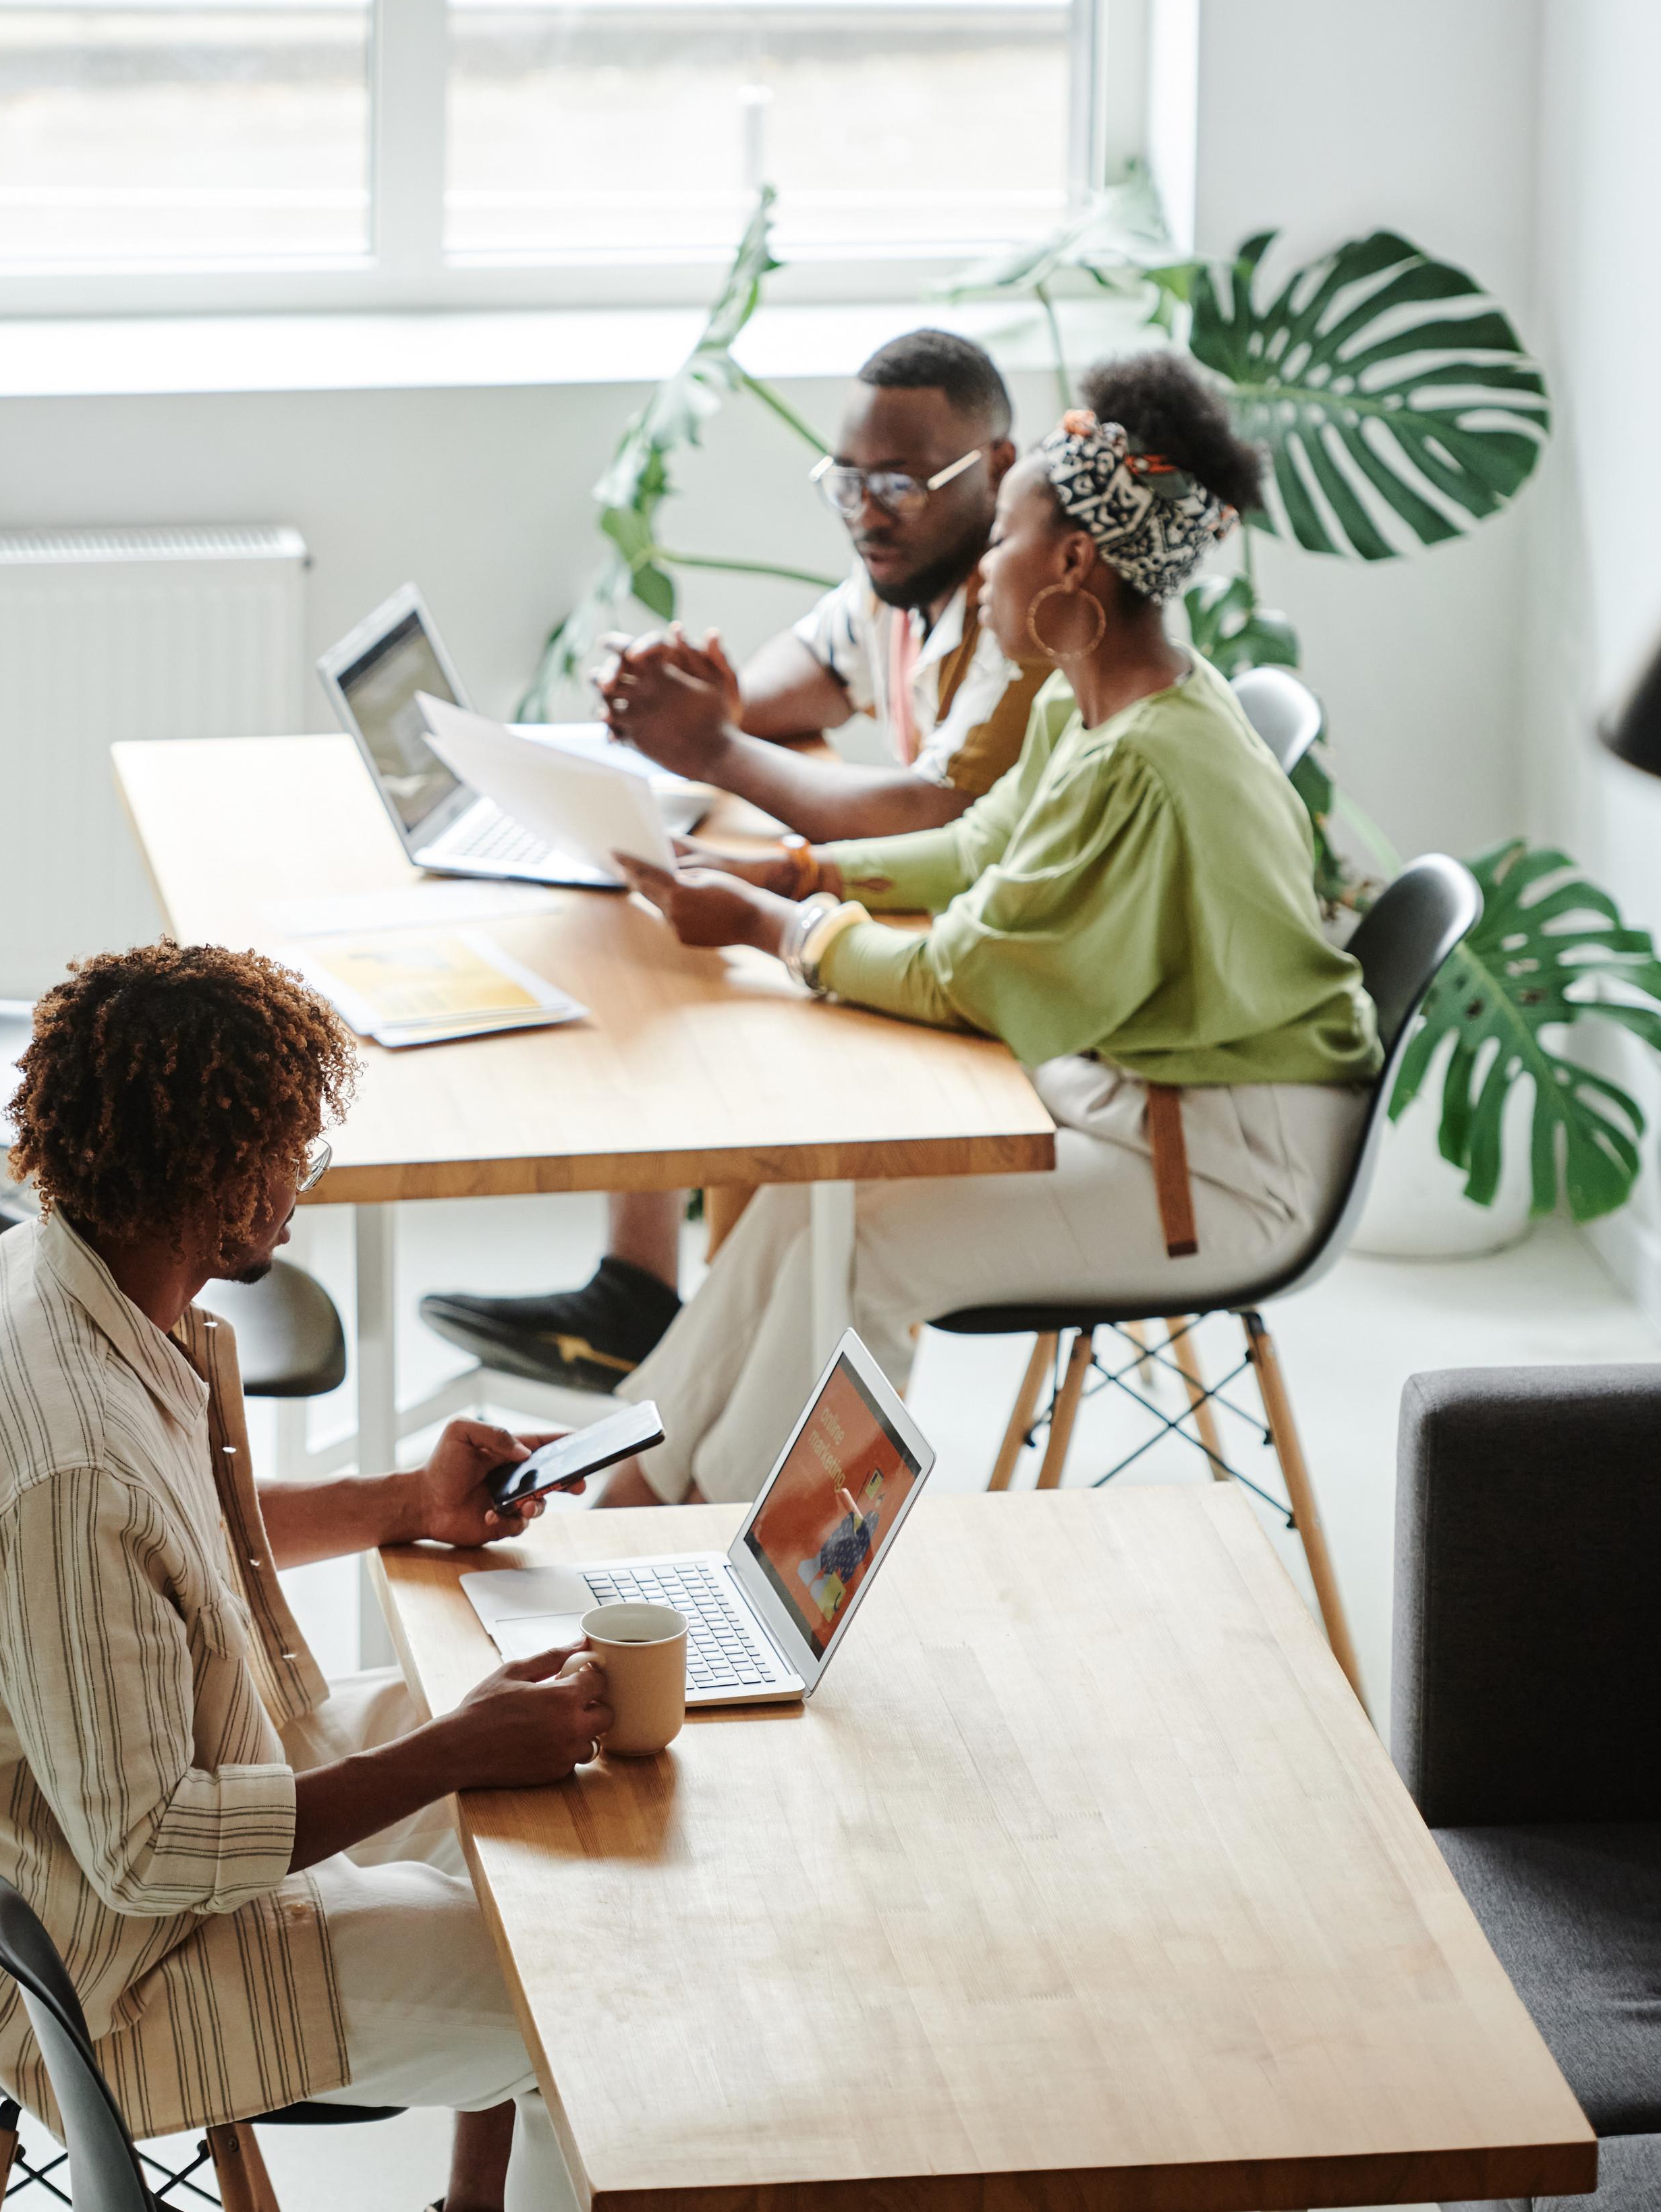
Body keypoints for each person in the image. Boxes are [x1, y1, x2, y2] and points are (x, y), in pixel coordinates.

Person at [0, 940, 668, 2212]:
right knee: (602, 1993)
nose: (301, 1183)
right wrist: (450, 1750)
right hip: (108, 1961)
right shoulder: (67, 1466)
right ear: (214, 1176)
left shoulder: (47, 1280)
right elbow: (157, 1847)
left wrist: (408, 1501)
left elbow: (172, 1535)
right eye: (286, 1151)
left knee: (554, 1818)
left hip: (110, 1809)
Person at [587, 351, 1384, 1509]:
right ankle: (642, 1498)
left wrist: (771, 921)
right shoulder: (1097, 694)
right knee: (819, 1190)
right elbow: (977, 854)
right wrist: (794, 865)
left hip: (1220, 1168)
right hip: (1138, 1100)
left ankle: (737, 1563)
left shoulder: (1148, 761)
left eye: (1002, 541)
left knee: (862, 1250)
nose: (987, 576)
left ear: (1073, 561)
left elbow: (967, 976)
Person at [420, 324, 1048, 1396]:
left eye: (899, 483)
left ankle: (704, 1350)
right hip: (927, 916)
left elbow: (923, 804)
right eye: (847, 483)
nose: (869, 512)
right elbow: (799, 677)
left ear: (995, 468)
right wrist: (691, 704)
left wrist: (711, 743)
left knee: (721, 984)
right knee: (669, 898)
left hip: (1005, 987)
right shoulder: (902, 583)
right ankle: (644, 1294)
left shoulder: (1020, 609)